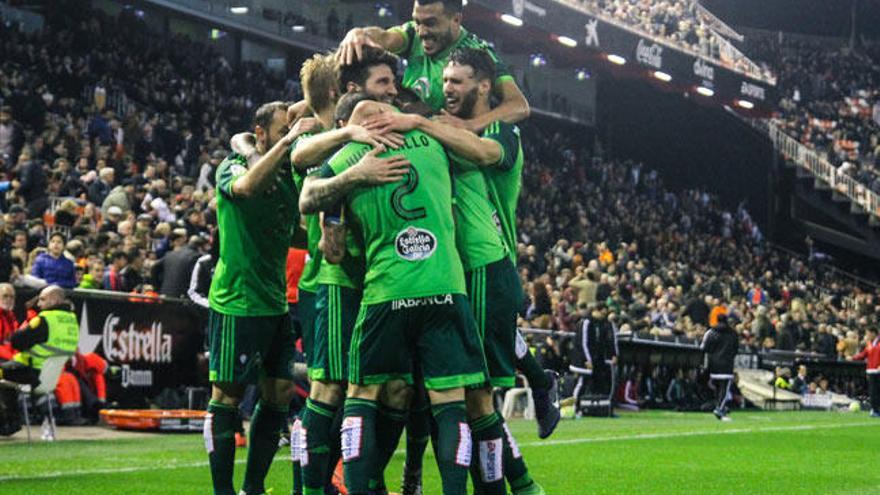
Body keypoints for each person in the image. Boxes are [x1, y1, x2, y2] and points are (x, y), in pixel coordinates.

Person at [361, 47, 550, 494]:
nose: (447, 89)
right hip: (456, 271)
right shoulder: (446, 126)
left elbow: (483, 153)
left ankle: (520, 485)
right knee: (456, 396)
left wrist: (421, 122)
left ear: (484, 86)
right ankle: (515, 484)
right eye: (444, 81)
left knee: (475, 398)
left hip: (485, 264)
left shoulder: (502, 130)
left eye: (457, 82)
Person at [300, 100, 488, 495]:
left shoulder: (348, 159)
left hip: (387, 292)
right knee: (450, 402)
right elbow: (480, 154)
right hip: (446, 288)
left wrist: (351, 177)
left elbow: (311, 206)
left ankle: (353, 486)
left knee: (361, 394)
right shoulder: (434, 144)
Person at [203, 101, 311, 495]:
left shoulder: (287, 177)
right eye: (283, 131)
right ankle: (223, 491)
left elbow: (291, 231)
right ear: (260, 132)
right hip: (238, 302)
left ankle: (254, 486)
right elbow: (247, 188)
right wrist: (286, 144)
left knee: (280, 392)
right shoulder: (232, 166)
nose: (289, 137)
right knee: (227, 396)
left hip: (276, 304)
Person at [337, 0, 530, 130]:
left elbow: (518, 105)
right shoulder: (412, 34)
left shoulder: (477, 54)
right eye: (417, 21)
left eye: (430, 23)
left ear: (456, 19)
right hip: (403, 128)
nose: (421, 32)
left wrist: (470, 126)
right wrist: (361, 34)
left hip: (443, 150)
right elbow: (385, 38)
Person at [0, 285, 79, 434]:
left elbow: (17, 341)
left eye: (42, 299)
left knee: (4, 373)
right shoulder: (72, 320)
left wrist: (27, 324)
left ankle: (9, 420)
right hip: (50, 377)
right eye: (5, 296)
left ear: (54, 300)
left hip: (31, 372)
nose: (38, 304)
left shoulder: (45, 320)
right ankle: (10, 421)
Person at [570, 284, 618, 417]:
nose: (604, 316)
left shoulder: (600, 323)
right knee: (580, 384)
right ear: (596, 310)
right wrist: (587, 360)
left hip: (593, 360)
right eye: (602, 312)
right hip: (582, 360)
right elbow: (583, 343)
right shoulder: (586, 322)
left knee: (590, 384)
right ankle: (573, 408)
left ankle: (588, 408)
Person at [701, 313, 739, 421]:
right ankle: (720, 409)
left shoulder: (711, 332)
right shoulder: (733, 334)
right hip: (726, 365)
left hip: (713, 364)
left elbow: (704, 347)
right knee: (724, 388)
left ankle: (720, 406)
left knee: (718, 387)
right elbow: (736, 349)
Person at [849, 328, 880, 418]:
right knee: (873, 392)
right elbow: (863, 355)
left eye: (868, 333)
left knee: (877, 391)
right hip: (871, 371)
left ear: (874, 333)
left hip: (878, 371)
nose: (867, 336)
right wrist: (853, 358)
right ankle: (875, 410)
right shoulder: (870, 344)